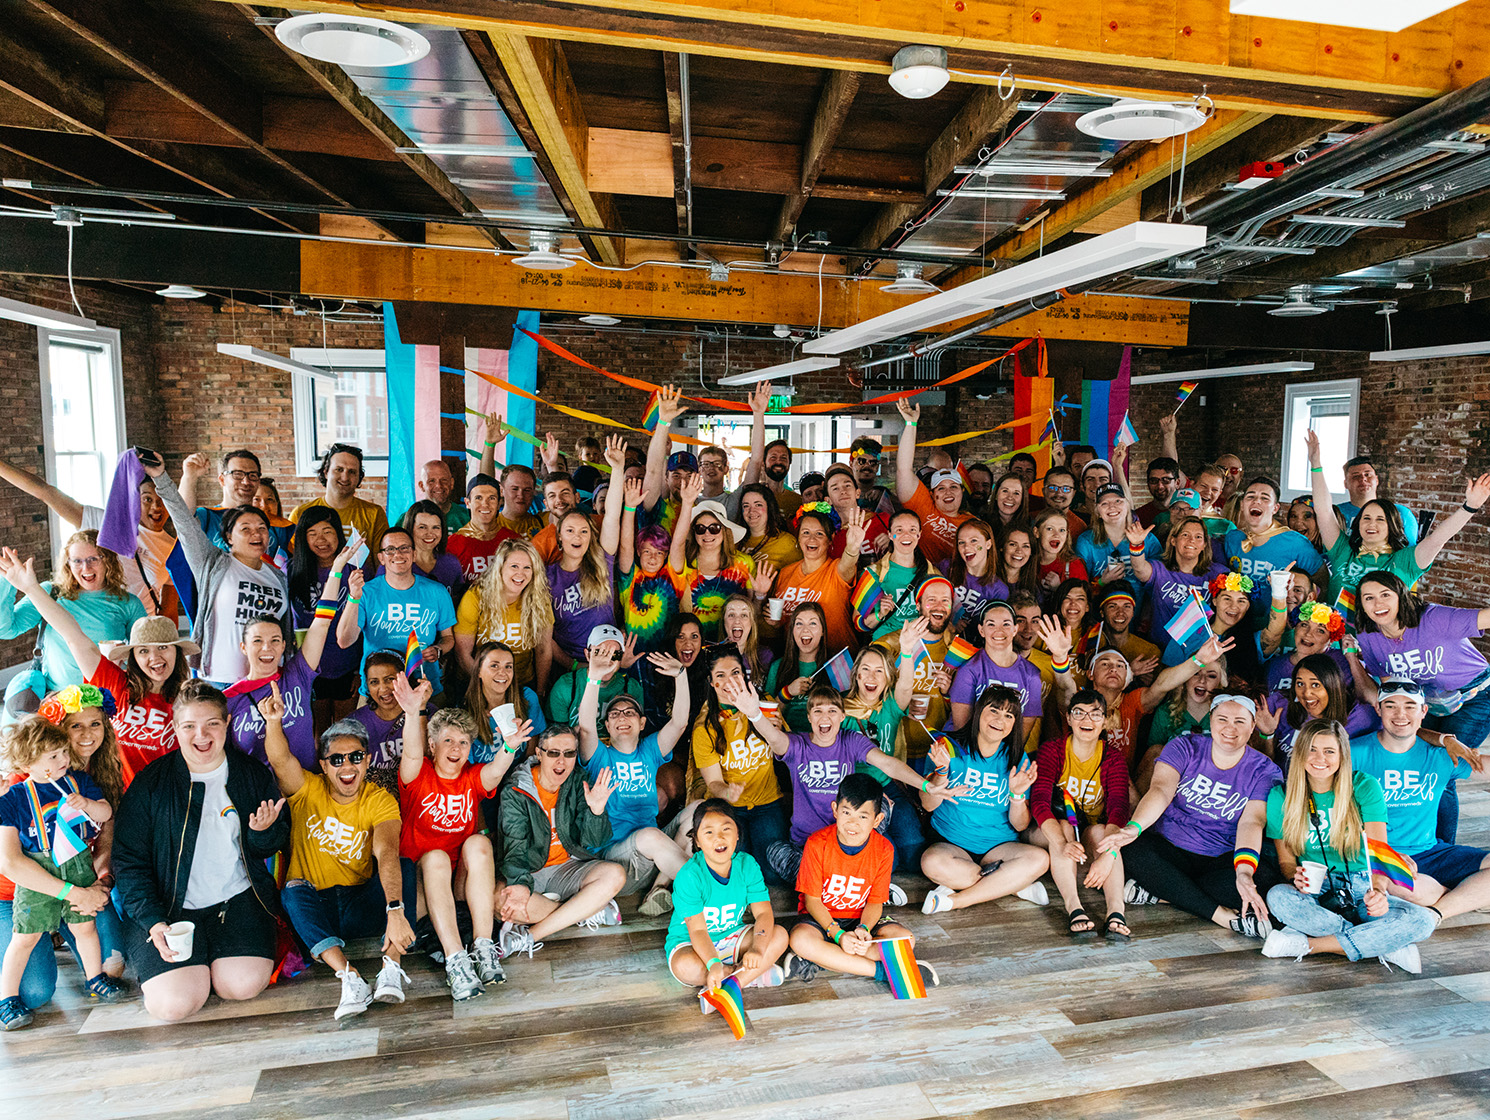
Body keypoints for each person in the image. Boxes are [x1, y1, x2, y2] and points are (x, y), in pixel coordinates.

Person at [113, 680, 289, 1022]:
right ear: (175, 728)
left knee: (243, 986)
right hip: (169, 906)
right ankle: (193, 974)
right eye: (190, 726)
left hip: (235, 902)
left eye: (212, 724)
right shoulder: (151, 783)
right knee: (173, 1005)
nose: (201, 735)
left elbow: (274, 842)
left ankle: (208, 966)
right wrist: (153, 921)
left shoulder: (251, 775)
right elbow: (129, 862)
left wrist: (263, 833)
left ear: (227, 725)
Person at [257, 683, 413, 1018]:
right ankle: (349, 977)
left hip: (361, 904)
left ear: (367, 761)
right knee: (293, 892)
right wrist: (273, 722)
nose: (347, 766)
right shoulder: (306, 788)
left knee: (405, 866)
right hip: (318, 909)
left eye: (356, 757)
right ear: (324, 765)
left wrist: (395, 909)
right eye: (337, 759)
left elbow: (386, 852)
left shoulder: (378, 800)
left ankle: (391, 967)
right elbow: (280, 758)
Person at [1097, 695, 1281, 940]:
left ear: (1252, 726)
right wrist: (1134, 828)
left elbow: (1252, 822)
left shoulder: (1265, 770)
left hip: (1220, 856)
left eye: (1240, 721)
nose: (1230, 728)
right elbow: (1161, 790)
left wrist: (1244, 872)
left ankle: (1162, 892)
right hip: (1170, 848)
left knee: (1263, 877)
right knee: (1131, 849)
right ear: (1211, 720)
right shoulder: (1184, 746)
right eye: (1222, 719)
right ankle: (1222, 917)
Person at [1260, 718, 1434, 971]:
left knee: (1422, 920)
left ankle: (1308, 945)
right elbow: (1287, 862)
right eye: (1312, 749)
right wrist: (1293, 877)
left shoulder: (1364, 786)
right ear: (1299, 753)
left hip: (1363, 882)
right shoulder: (1281, 796)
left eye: (1329, 751)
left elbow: (1378, 851)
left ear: (1342, 754)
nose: (1320, 758)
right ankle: (1383, 943)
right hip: (1315, 888)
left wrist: (1380, 892)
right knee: (1278, 897)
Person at [0, 552, 189, 783]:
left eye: (163, 648)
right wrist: (31, 588)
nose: (154, 658)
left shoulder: (187, 700)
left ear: (177, 652)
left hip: (158, 802)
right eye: (143, 650)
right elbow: (73, 635)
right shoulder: (115, 683)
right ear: (133, 657)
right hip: (106, 796)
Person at [739, 678, 944, 883]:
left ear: (842, 716)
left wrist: (927, 785)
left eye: (832, 711)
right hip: (808, 841)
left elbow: (888, 764)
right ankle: (843, 880)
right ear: (809, 717)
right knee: (776, 852)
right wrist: (754, 714)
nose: (825, 717)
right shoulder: (797, 744)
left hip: (847, 837)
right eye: (818, 711)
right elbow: (774, 738)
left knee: (886, 846)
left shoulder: (850, 740)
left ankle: (832, 880)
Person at [0, 715, 126, 1029]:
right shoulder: (13, 798)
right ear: (29, 761)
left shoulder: (78, 782)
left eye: (63, 753)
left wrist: (87, 805)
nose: (64, 759)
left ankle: (95, 978)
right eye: (53, 756)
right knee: (25, 938)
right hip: (37, 872)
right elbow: (12, 863)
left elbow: (106, 812)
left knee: (86, 928)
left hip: (78, 864)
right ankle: (7, 999)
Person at [394, 676, 511, 1000]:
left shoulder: (472, 776)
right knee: (436, 858)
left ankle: (484, 948)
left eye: (463, 742)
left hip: (457, 886)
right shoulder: (419, 775)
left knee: (479, 842)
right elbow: (412, 754)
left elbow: (495, 772)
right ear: (433, 746)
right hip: (420, 883)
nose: (456, 749)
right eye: (448, 741)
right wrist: (412, 711)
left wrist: (511, 744)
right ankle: (456, 960)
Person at [1352, 571, 1490, 839]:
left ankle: (1440, 845)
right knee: (1422, 759)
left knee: (1445, 769)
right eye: (1369, 598)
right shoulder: (1369, 637)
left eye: (1385, 595)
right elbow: (1390, 688)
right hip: (1424, 701)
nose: (1377, 603)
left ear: (1401, 596)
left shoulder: (1433, 619)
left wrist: (1446, 741)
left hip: (1474, 696)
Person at [1350, 679, 1490, 923]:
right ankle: (1466, 896)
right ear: (1378, 710)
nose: (1400, 714)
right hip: (1379, 856)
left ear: (1424, 712)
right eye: (1391, 706)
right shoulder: (1354, 753)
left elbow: (1483, 765)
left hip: (1430, 851)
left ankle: (1436, 912)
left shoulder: (1443, 756)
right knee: (1400, 887)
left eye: (1410, 707)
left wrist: (1449, 741)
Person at [1307, 432, 1487, 618]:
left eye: (1380, 519)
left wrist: (1470, 507)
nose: (1371, 524)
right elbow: (1324, 511)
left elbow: (1438, 538)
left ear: (1391, 525)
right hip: (1337, 642)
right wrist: (1315, 464)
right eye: (1366, 518)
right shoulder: (1343, 552)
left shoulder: (1404, 561)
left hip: (1384, 643)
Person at [784, 774, 935, 987]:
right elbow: (812, 901)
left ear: (877, 820)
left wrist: (863, 930)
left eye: (863, 817)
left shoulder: (884, 849)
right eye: (846, 813)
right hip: (823, 922)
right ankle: (882, 972)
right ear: (835, 810)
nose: (852, 823)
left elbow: (875, 901)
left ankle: (823, 959)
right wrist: (837, 935)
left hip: (860, 922)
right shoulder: (817, 844)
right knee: (800, 940)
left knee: (906, 939)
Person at [150, 453, 287, 686]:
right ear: (228, 538)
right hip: (220, 680)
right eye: (246, 528)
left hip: (267, 679)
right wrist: (161, 477)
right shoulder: (213, 563)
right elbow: (183, 520)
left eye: (262, 528)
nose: (256, 534)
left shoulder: (277, 576)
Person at [577, 649, 693, 915]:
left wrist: (681, 674)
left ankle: (659, 886)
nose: (621, 717)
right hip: (618, 860)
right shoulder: (599, 757)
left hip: (654, 852)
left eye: (629, 712)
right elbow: (585, 729)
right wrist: (593, 678)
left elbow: (679, 722)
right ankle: (710, 892)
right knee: (651, 836)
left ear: (642, 723)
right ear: (606, 725)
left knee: (699, 811)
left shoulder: (649, 750)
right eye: (614, 714)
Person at [496, 725, 626, 961]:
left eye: (569, 754)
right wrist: (521, 887)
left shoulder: (579, 781)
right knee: (504, 904)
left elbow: (594, 841)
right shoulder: (516, 789)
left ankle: (529, 936)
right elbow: (514, 846)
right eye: (553, 753)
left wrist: (596, 811)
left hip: (567, 868)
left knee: (615, 874)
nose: (561, 761)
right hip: (531, 871)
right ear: (539, 753)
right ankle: (585, 909)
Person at [0, 452, 180, 620]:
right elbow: (46, 493)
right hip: (98, 623)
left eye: (162, 500)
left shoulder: (174, 547)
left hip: (140, 632)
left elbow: (168, 607)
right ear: (134, 499)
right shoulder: (104, 522)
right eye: (147, 499)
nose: (156, 507)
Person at [919, 686, 1051, 914]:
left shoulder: (1018, 759)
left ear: (1014, 724)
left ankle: (956, 900)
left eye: (1009, 716)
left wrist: (1017, 795)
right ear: (979, 712)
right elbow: (927, 804)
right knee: (930, 862)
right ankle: (1012, 886)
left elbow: (1020, 825)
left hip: (999, 847)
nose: (1001, 720)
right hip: (951, 844)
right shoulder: (949, 747)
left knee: (1040, 859)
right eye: (995, 711)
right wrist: (941, 771)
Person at [0, 529, 147, 715]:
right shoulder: (48, 593)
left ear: (108, 560)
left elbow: (144, 653)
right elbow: (5, 629)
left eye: (94, 559)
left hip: (105, 701)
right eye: (77, 561)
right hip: (57, 700)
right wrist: (7, 583)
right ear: (68, 564)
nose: (86, 568)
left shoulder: (128, 603)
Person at [1029, 690, 1134, 940]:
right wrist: (1063, 843)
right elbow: (1040, 802)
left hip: (1088, 830)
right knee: (1064, 826)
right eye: (1079, 713)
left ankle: (1116, 912)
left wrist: (1108, 854)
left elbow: (1119, 808)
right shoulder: (1053, 750)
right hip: (1048, 830)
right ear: (1068, 718)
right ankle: (1074, 906)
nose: (1087, 720)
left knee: (1103, 834)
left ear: (1106, 721)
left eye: (1096, 714)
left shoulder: (1112, 757)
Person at [664, 798, 788, 997]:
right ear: (697, 840)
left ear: (738, 833)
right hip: (692, 943)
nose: (718, 838)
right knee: (684, 966)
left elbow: (763, 912)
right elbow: (697, 930)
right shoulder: (690, 876)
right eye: (709, 832)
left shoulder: (747, 865)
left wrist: (757, 948)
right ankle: (745, 975)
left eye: (726, 829)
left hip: (732, 936)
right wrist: (714, 964)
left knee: (780, 935)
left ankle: (730, 985)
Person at [689, 652, 790, 882]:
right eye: (720, 675)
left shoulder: (763, 703)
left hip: (767, 802)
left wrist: (777, 730)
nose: (729, 681)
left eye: (735, 673)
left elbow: (787, 750)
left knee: (772, 873)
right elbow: (713, 782)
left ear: (745, 677)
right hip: (729, 809)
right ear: (711, 682)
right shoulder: (705, 727)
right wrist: (727, 792)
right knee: (737, 872)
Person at [340, 526, 457, 699]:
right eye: (390, 550)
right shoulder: (365, 592)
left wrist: (438, 650)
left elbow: (448, 638)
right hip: (378, 691)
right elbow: (344, 640)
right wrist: (354, 597)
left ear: (414, 554)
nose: (398, 554)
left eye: (404, 548)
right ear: (381, 558)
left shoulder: (437, 591)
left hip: (425, 687)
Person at [287, 507, 362, 726]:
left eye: (327, 531)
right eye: (312, 533)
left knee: (344, 727)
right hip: (309, 668)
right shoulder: (292, 571)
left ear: (339, 533)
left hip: (347, 665)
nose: (321, 539)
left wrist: (360, 670)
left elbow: (364, 622)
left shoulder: (354, 570)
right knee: (316, 728)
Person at [454, 538, 553, 694]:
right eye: (514, 566)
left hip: (522, 682)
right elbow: (462, 654)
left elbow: (543, 650)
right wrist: (490, 691)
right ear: (500, 568)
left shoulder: (540, 600)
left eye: (527, 567)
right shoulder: (476, 597)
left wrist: (540, 693)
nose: (520, 573)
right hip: (477, 683)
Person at [1222, 477, 1324, 624]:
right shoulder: (1232, 539)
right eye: (1251, 496)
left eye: (1264, 498)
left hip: (1279, 627)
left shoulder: (1296, 543)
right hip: (1236, 623)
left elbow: (1322, 582)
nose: (1257, 501)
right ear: (1243, 504)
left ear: (1275, 508)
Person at [947, 600, 1046, 751]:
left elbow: (1022, 733)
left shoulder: (1031, 674)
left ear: (1015, 629)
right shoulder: (969, 669)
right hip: (967, 751)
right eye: (991, 624)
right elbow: (961, 728)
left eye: (1006, 624)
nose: (999, 631)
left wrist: (1004, 761)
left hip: (1004, 755)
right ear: (981, 630)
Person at [770, 503, 864, 656]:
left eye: (819, 534)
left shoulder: (837, 570)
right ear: (798, 536)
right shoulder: (785, 573)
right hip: (797, 663)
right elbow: (783, 623)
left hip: (836, 663)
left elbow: (848, 562)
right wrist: (774, 621)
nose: (811, 539)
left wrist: (853, 547)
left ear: (830, 539)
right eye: (806, 532)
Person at [669, 475, 756, 642]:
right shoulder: (686, 562)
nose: (707, 533)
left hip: (732, 646)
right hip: (692, 648)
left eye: (714, 528)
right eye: (700, 528)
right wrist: (687, 503)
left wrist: (760, 595)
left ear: (724, 532)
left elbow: (752, 610)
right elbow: (677, 544)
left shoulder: (744, 563)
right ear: (694, 533)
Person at [1258, 651, 1378, 769]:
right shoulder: (1279, 706)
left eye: (1315, 685)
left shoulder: (1361, 717)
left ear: (1332, 686)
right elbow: (1263, 766)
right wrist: (1267, 735)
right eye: (1300, 684)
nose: (1306, 693)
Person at [548, 485, 624, 669]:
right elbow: (544, 637)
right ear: (559, 537)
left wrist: (617, 467)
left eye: (584, 531)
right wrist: (576, 666)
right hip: (569, 668)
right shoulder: (547, 576)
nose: (578, 537)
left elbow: (612, 517)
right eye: (570, 531)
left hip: (610, 665)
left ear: (591, 537)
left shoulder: (602, 563)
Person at [894, 400, 970, 567]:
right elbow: (904, 469)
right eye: (941, 488)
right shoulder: (924, 507)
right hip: (923, 578)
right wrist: (911, 423)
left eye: (953, 487)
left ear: (962, 491)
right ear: (932, 494)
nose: (947, 493)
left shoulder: (973, 524)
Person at [1128, 517, 1226, 640]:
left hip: (1202, 650)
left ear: (1204, 545)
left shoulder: (1218, 573)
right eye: (1185, 535)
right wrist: (1136, 545)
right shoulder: (1160, 569)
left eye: (1198, 537)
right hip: (1160, 650)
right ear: (1173, 540)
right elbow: (1140, 569)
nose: (1191, 540)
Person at [618, 475, 685, 654]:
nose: (653, 558)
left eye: (659, 553)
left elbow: (679, 543)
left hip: (667, 655)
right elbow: (625, 545)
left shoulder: (672, 576)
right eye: (647, 551)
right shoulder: (631, 577)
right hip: (633, 657)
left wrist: (687, 504)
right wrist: (630, 507)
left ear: (666, 555)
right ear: (638, 552)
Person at [183, 449, 292, 559]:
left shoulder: (276, 525)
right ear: (222, 480)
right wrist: (189, 476)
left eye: (253, 475)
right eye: (237, 474)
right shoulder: (207, 517)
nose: (246, 482)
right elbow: (182, 517)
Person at [288, 444, 389, 556]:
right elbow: (292, 562)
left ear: (359, 477)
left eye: (352, 472)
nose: (345, 477)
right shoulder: (300, 513)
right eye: (339, 469)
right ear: (326, 472)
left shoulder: (374, 514)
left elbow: (382, 562)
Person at [546, 624, 643, 742]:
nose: (607, 660)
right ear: (587, 654)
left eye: (615, 655)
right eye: (599, 652)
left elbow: (636, 734)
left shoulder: (631, 687)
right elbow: (555, 737)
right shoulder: (566, 686)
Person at [463, 641, 547, 763]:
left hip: (519, 776)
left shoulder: (527, 697)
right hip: (483, 778)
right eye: (494, 666)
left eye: (508, 666)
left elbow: (532, 747)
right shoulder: (464, 711)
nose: (502, 673)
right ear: (479, 671)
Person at [1075, 484, 1161, 600]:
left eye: (1118, 501)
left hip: (1140, 614)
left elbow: (1160, 584)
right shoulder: (1086, 541)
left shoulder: (1148, 539)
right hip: (1097, 614)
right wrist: (1101, 582)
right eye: (1104, 503)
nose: (1112, 507)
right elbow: (1077, 589)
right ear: (1097, 512)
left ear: (1127, 505)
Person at [859, 510, 933, 641]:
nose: (906, 535)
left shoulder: (931, 573)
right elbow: (859, 624)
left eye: (912, 530)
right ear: (890, 534)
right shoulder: (873, 573)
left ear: (919, 535)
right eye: (899, 530)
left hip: (921, 647)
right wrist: (880, 614)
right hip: (885, 646)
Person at [349, 652, 414, 794]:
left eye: (389, 679)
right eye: (374, 682)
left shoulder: (427, 714)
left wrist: (418, 711)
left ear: (404, 678)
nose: (383, 689)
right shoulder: (353, 724)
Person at [739, 383, 803, 522]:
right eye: (773, 457)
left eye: (783, 458)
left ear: (789, 463)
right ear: (763, 463)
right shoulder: (754, 494)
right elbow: (755, 458)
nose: (778, 461)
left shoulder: (797, 501)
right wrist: (758, 414)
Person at [446, 473, 518, 588]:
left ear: (499, 503)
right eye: (478, 498)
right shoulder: (452, 545)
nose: (485, 504)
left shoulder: (514, 541)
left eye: (492, 498)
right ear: (468, 503)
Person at [763, 602, 826, 732]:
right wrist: (788, 692)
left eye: (813, 623)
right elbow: (767, 716)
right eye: (799, 623)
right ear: (792, 630)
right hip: (787, 742)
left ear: (822, 631)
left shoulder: (835, 667)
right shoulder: (777, 667)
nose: (805, 629)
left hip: (822, 743)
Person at [1338, 454, 1420, 545]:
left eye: (1367, 474)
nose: (1363, 479)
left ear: (1376, 480)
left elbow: (1411, 554)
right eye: (1356, 476)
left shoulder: (1400, 513)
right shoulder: (1335, 513)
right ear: (1346, 484)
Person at [1092, 582, 1160, 685]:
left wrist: (1151, 683)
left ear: (1133, 612)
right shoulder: (1091, 644)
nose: (1120, 612)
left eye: (1127, 606)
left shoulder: (1149, 652)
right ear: (1102, 613)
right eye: (1112, 606)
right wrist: (1130, 672)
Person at [945, 519, 1007, 626]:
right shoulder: (946, 567)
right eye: (961, 542)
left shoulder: (999, 590)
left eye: (973, 541)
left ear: (988, 544)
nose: (966, 547)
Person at [823, 464, 890, 559]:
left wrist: (893, 540)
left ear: (857, 493)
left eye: (847, 485)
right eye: (835, 488)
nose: (843, 491)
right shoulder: (832, 542)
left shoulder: (883, 519)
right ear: (828, 500)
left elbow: (906, 537)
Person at [399, 500, 463, 594]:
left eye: (435, 527)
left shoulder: (451, 563)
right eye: (422, 527)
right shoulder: (394, 564)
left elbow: (458, 601)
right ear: (410, 528)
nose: (429, 534)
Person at [737, 483, 802, 573]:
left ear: (769, 508)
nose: (751, 511)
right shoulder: (734, 540)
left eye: (758, 505)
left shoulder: (787, 543)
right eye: (746, 506)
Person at [1033, 508, 1087, 602]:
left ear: (1067, 535)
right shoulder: (1026, 561)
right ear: (1036, 532)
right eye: (1050, 529)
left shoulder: (1074, 565)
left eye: (1062, 530)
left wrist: (1059, 588)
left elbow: (1083, 602)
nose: (1056, 535)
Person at [414, 458, 470, 532]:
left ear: (452, 483)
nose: (438, 486)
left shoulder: (467, 518)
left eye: (444, 480)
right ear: (422, 486)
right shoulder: (410, 518)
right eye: (431, 481)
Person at [849, 437, 896, 517]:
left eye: (873, 462)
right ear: (851, 464)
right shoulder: (844, 493)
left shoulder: (885, 495)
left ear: (877, 467)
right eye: (861, 461)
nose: (867, 465)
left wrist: (884, 498)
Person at [1039, 465, 1086, 537]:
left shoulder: (1080, 527)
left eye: (1066, 489)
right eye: (1053, 487)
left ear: (1073, 493)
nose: (1059, 493)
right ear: (1044, 491)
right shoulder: (1031, 519)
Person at [1136, 457, 1182, 527]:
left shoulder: (1186, 513)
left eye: (1166, 480)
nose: (1160, 486)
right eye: (1154, 481)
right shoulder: (1138, 516)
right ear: (1148, 483)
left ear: (1177, 483)